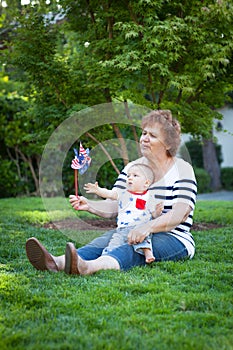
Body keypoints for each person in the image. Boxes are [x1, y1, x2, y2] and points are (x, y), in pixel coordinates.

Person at [26, 109, 197, 276]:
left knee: (131, 248)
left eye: (152, 136)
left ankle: (88, 267)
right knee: (102, 242)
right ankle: (56, 262)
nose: (144, 139)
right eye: (144, 133)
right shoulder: (132, 167)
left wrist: (147, 227)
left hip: (173, 236)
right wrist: (91, 205)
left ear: (168, 143)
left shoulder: (182, 169)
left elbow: (180, 214)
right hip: (131, 229)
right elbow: (116, 204)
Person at [84, 163, 164, 263]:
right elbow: (110, 193)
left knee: (144, 239)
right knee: (114, 244)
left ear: (146, 183)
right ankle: (105, 258)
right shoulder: (123, 193)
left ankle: (148, 254)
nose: (130, 178)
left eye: (135, 176)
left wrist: (157, 212)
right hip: (122, 229)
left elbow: (153, 215)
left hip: (140, 228)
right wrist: (98, 190)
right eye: (128, 175)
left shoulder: (149, 197)